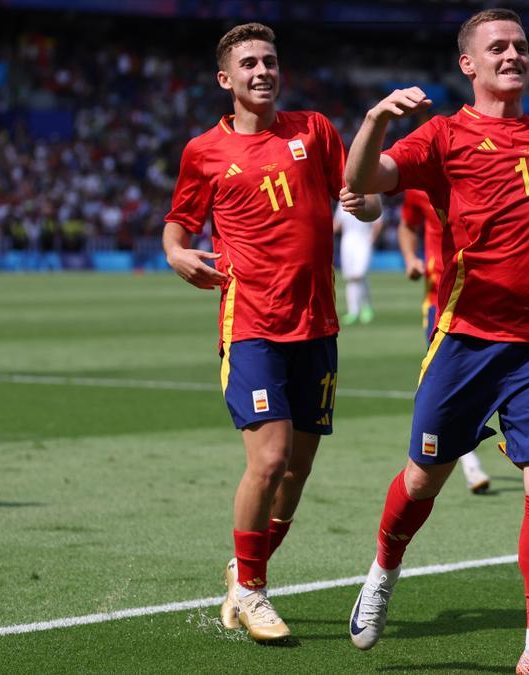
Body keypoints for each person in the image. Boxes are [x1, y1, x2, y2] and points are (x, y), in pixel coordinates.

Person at [343, 9, 529, 673]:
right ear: (469, 63)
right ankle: (383, 570)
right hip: (465, 340)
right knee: (422, 479)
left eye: (521, 46)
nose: (513, 55)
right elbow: (362, 180)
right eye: (498, 46)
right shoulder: (441, 136)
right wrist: (379, 116)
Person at [162, 23, 381, 643]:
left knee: (298, 472)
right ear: (225, 80)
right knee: (271, 458)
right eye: (250, 63)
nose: (263, 71)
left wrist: (368, 206)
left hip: (317, 324)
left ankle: (241, 570)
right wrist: (177, 254)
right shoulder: (203, 151)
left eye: (271, 61)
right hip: (252, 322)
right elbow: (176, 229)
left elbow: (360, 193)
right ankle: (255, 591)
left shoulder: (315, 130)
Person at [397, 188, 491, 495]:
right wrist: (411, 258)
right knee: (445, 381)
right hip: (441, 299)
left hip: (485, 295)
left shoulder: (479, 169)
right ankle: (469, 460)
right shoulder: (418, 185)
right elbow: (408, 224)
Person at [334, 199, 382, 324]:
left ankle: (366, 307)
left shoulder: (368, 196)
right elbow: (337, 224)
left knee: (359, 274)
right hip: (347, 242)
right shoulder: (342, 201)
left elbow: (378, 221)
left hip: (363, 240)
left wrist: (372, 238)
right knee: (350, 277)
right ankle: (353, 311)